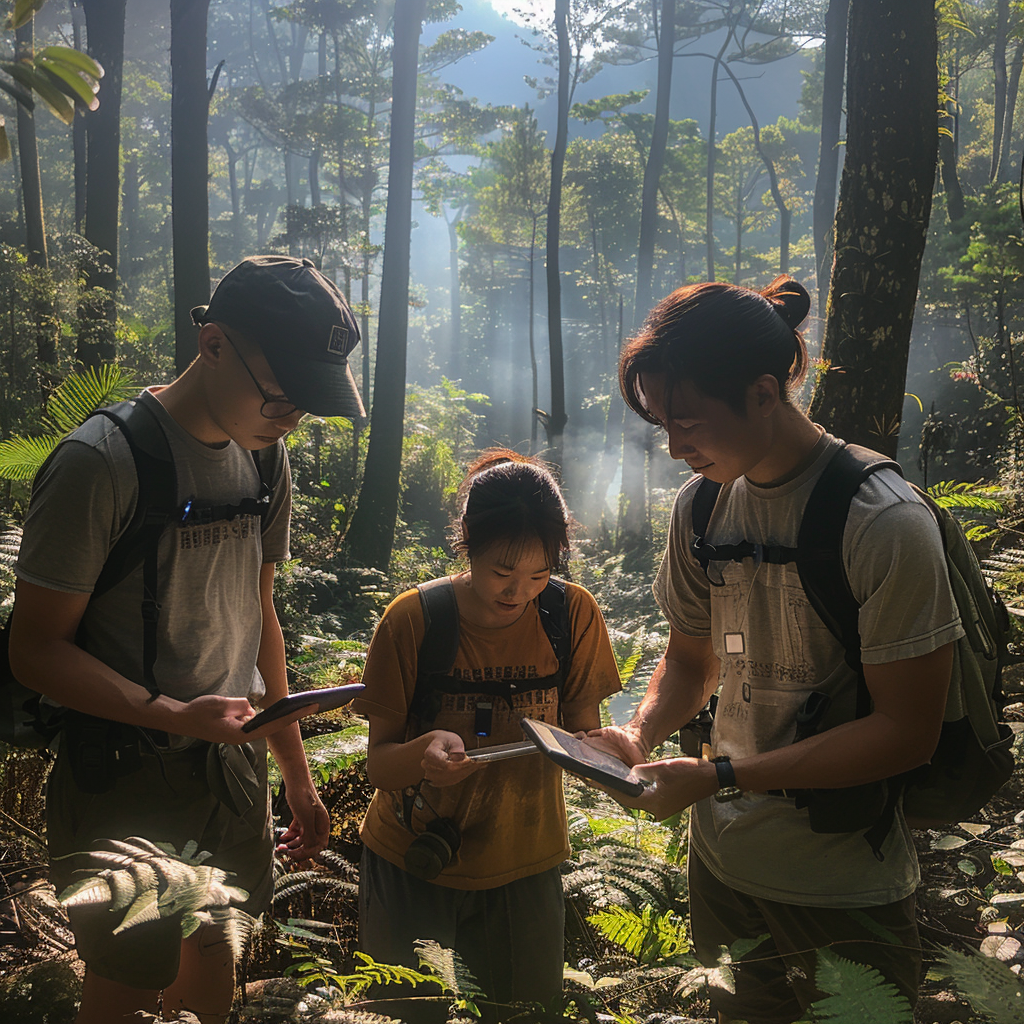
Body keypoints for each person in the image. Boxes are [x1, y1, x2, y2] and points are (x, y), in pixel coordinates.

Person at [585, 277, 962, 1023]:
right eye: (662, 424)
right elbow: (692, 663)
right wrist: (640, 732)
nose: (673, 447)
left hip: (843, 880)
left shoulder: (882, 521)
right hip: (723, 867)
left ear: (764, 393)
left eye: (686, 421)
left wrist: (722, 774)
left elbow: (906, 732)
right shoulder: (701, 508)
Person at [9, 255, 366, 1024]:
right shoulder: (101, 465)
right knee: (129, 977)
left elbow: (259, 614)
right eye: (280, 394)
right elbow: (34, 649)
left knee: (215, 951)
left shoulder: (266, 460)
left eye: (307, 403)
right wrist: (175, 714)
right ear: (212, 345)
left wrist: (294, 768)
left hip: (229, 773)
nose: (290, 416)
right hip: (122, 774)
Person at [352, 450, 621, 1022]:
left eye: (540, 574)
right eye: (502, 571)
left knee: (523, 1012)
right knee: (406, 1013)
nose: (518, 591)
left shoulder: (572, 615)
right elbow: (379, 767)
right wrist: (424, 755)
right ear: (467, 541)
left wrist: (603, 751)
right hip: (413, 859)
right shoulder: (414, 620)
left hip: (526, 859)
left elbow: (584, 731)